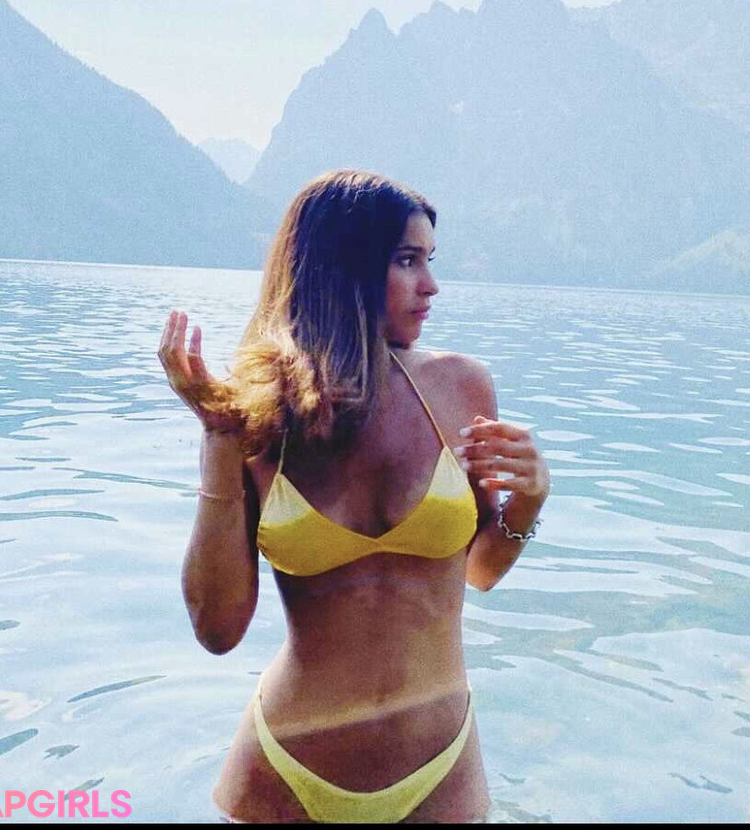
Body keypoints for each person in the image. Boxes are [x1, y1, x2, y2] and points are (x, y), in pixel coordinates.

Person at [157, 169, 550, 823]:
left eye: (429, 261)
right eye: (407, 261)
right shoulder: (256, 418)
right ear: (346, 267)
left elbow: (478, 571)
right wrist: (218, 437)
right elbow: (218, 630)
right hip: (283, 774)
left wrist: (529, 502)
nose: (431, 285)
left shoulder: (462, 389)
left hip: (441, 772)